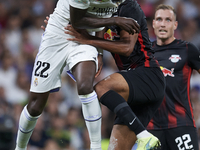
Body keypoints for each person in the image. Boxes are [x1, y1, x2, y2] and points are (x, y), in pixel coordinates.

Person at [14, 0, 140, 150]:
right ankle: (20, 147)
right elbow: (77, 20)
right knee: (36, 105)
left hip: (85, 37)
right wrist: (115, 20)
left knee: (85, 86)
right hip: (58, 34)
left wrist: (99, 52)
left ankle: (95, 146)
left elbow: (101, 16)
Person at [64, 0, 166, 149]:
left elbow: (127, 48)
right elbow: (85, 25)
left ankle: (143, 134)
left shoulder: (128, 7)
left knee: (102, 88)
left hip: (148, 75)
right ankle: (144, 135)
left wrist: (88, 40)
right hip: (133, 86)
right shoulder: (104, 10)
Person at [146, 4, 200, 150]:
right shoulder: (144, 54)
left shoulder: (188, 49)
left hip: (182, 125)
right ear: (153, 23)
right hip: (151, 129)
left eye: (168, 20)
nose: (163, 24)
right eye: (159, 19)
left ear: (175, 25)